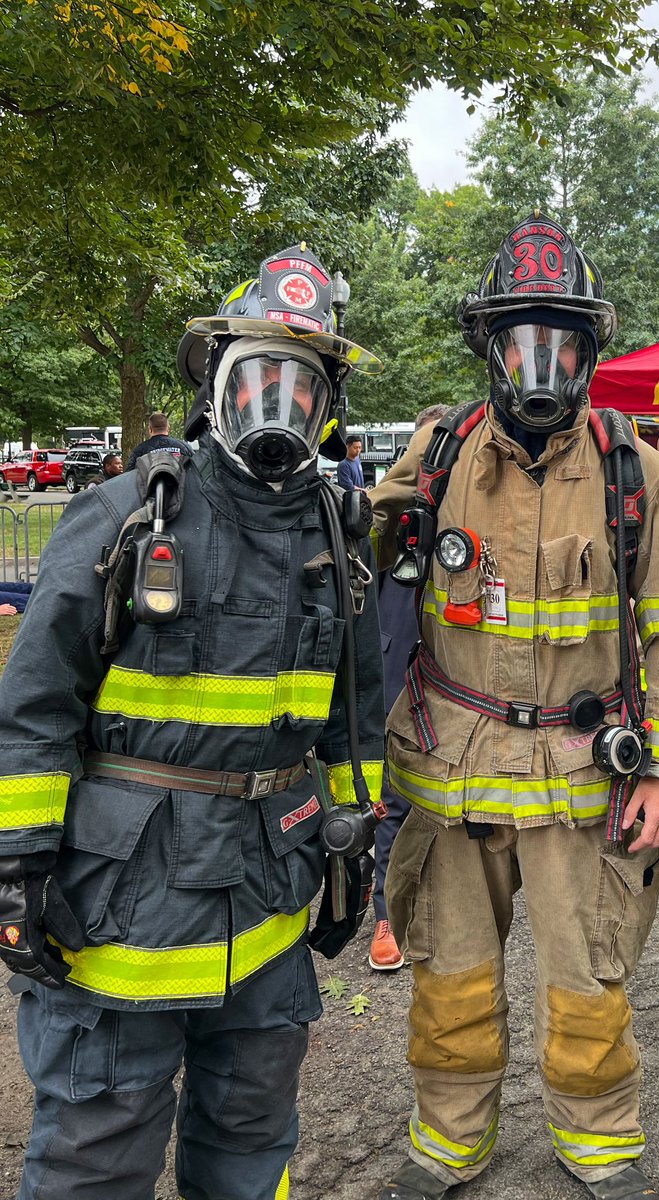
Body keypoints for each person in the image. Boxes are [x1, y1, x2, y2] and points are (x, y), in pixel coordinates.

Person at [0, 244, 386, 1200]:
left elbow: (347, 719)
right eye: (256, 376)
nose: (277, 405)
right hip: (118, 903)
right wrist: (15, 863)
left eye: (300, 386)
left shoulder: (336, 538)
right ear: (213, 383)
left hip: (266, 893)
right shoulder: (126, 516)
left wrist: (351, 843)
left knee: (253, 1137)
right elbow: (35, 705)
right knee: (100, 1147)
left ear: (326, 404)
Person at [369, 212, 659, 1200]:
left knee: (591, 985)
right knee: (449, 979)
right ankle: (449, 1142)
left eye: (559, 343)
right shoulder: (438, 453)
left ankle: (600, 1147)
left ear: (588, 352)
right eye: (519, 341)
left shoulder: (632, 470)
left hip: (582, 777)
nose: (539, 364)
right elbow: (357, 568)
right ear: (489, 346)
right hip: (451, 767)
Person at [367, 403, 451, 972]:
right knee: (395, 799)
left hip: (458, 679)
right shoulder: (389, 517)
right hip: (399, 668)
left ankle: (443, 907)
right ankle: (385, 916)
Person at [125, 410, 192, 469]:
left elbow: (130, 475)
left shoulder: (140, 450)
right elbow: (196, 469)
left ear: (150, 429)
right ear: (168, 428)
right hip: (180, 482)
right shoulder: (184, 447)